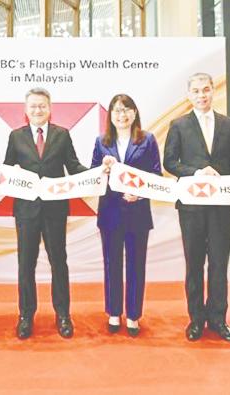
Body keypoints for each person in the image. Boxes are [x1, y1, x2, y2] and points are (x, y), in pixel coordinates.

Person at [163, 73, 230, 343]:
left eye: (206, 90)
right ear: (189, 95)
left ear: (212, 91)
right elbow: (170, 162)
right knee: (194, 265)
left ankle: (219, 320)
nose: (202, 95)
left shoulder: (229, 124)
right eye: (196, 91)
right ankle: (196, 320)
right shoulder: (178, 125)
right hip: (192, 207)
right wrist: (196, 172)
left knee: (219, 264)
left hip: (221, 207)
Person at [3, 87, 91, 340]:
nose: (38, 110)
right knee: (25, 264)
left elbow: (73, 166)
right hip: (26, 210)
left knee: (58, 262)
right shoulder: (16, 136)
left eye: (42, 106)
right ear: (25, 110)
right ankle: (25, 316)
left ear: (50, 108)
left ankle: (63, 314)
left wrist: (96, 174)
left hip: (55, 209)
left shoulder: (62, 135)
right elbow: (7, 170)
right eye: (33, 106)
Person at [91, 94, 159, 337]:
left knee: (136, 265)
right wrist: (104, 169)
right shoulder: (102, 142)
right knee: (112, 264)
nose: (122, 115)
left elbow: (156, 175)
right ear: (110, 115)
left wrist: (139, 194)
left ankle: (132, 315)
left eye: (126, 110)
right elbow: (93, 179)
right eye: (117, 111)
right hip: (110, 212)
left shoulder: (147, 140)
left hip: (138, 212)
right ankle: (113, 312)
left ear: (134, 113)